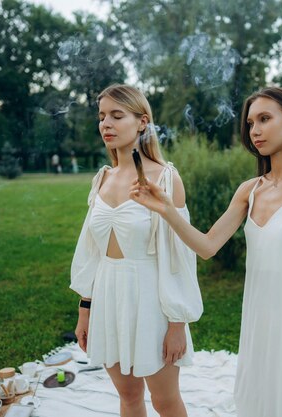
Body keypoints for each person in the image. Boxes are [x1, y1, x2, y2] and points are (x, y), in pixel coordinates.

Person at [130, 86, 282, 417]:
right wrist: (167, 209)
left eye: (264, 119)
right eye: (250, 123)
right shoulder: (250, 190)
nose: (255, 130)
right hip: (256, 324)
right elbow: (207, 246)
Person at [70, 84, 203, 417]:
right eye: (102, 117)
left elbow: (179, 258)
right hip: (108, 297)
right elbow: (91, 253)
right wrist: (85, 308)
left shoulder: (166, 179)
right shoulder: (102, 179)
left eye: (117, 115)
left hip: (152, 300)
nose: (106, 124)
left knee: (164, 400)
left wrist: (177, 323)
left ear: (142, 122)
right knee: (128, 396)